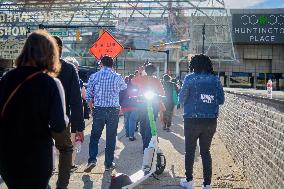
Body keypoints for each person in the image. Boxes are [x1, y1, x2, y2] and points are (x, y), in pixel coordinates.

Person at [0, 30, 68, 189]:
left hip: (8, 156)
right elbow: (59, 125)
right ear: (50, 54)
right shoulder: (50, 84)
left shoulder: (6, 79)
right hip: (37, 157)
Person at [179, 54, 224, 189]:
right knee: (205, 151)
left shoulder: (189, 78)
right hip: (210, 120)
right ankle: (207, 184)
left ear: (194, 65)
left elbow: (181, 98)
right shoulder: (215, 80)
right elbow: (221, 100)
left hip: (191, 119)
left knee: (190, 151)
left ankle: (189, 181)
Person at [84, 55, 127, 172]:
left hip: (99, 109)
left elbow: (88, 96)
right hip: (113, 110)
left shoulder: (94, 76)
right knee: (111, 137)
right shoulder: (117, 76)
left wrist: (92, 108)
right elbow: (124, 87)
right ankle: (108, 164)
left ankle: (92, 160)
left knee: (95, 136)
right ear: (112, 65)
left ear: (101, 64)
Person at [53, 36, 85, 189]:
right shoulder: (69, 68)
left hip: (37, 120)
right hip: (60, 118)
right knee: (66, 150)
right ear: (61, 48)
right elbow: (76, 101)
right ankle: (62, 185)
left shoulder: (37, 66)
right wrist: (79, 127)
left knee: (40, 150)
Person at [131, 63, 165, 151]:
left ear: (145, 71)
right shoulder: (156, 80)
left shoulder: (142, 78)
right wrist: (159, 96)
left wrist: (139, 72)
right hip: (153, 103)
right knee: (150, 124)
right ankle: (146, 146)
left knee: (142, 124)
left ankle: (145, 144)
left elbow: (133, 81)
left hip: (142, 103)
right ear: (154, 71)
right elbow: (162, 92)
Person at [119, 74, 140, 141]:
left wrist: (120, 104)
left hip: (125, 105)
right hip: (135, 105)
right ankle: (131, 136)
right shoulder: (137, 86)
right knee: (132, 120)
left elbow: (120, 96)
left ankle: (128, 134)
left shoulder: (124, 86)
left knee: (127, 119)